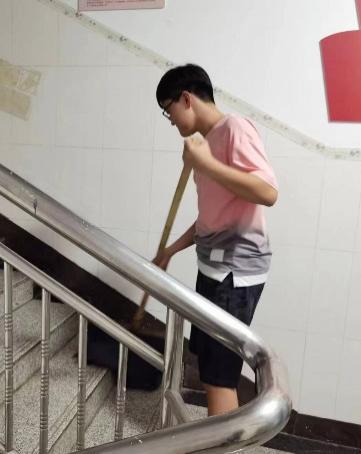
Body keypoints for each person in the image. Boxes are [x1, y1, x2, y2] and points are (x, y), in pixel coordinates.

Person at [154, 64, 278, 416]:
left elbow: (267, 192)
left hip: (235, 275)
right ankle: (215, 435)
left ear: (186, 99)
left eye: (168, 111)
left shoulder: (235, 128)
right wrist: (171, 250)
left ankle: (220, 439)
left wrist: (206, 165)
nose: (171, 121)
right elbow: (211, 218)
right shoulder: (207, 144)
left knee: (220, 375)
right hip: (213, 269)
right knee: (209, 366)